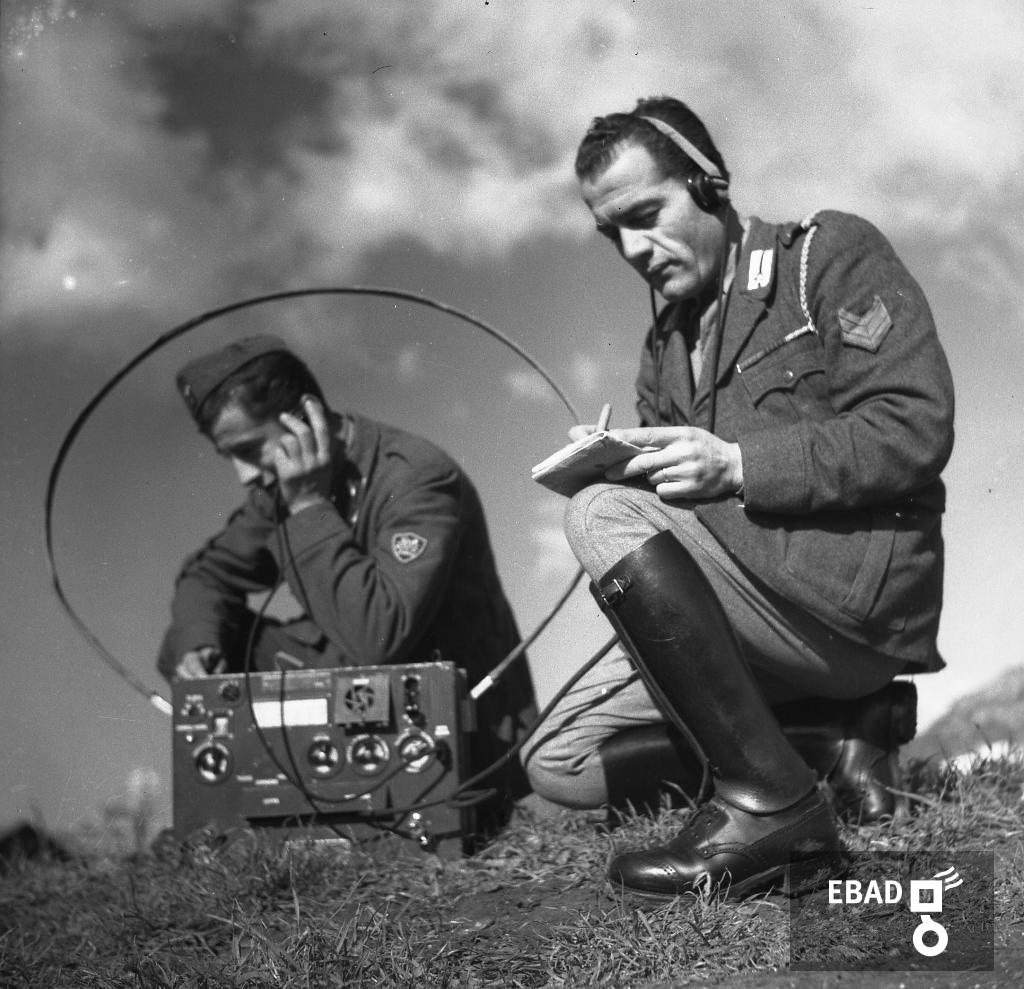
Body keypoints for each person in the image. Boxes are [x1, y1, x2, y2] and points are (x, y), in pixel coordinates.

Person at [523, 96, 954, 899]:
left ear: (708, 184)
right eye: (612, 233)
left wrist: (736, 464)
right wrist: (624, 463)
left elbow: (913, 426)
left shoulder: (823, 257)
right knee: (558, 761)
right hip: (754, 615)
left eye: (645, 216)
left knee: (598, 515)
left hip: (847, 604)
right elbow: (682, 511)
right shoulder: (664, 346)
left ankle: (774, 804)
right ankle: (831, 742)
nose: (632, 249)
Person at [158, 335, 537, 833]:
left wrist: (308, 508)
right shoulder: (278, 490)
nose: (245, 475)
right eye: (228, 455)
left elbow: (379, 636)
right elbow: (205, 576)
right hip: (356, 691)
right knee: (194, 633)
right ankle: (252, 809)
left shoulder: (416, 477)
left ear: (304, 417)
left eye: (249, 450)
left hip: (449, 716)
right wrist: (199, 646)